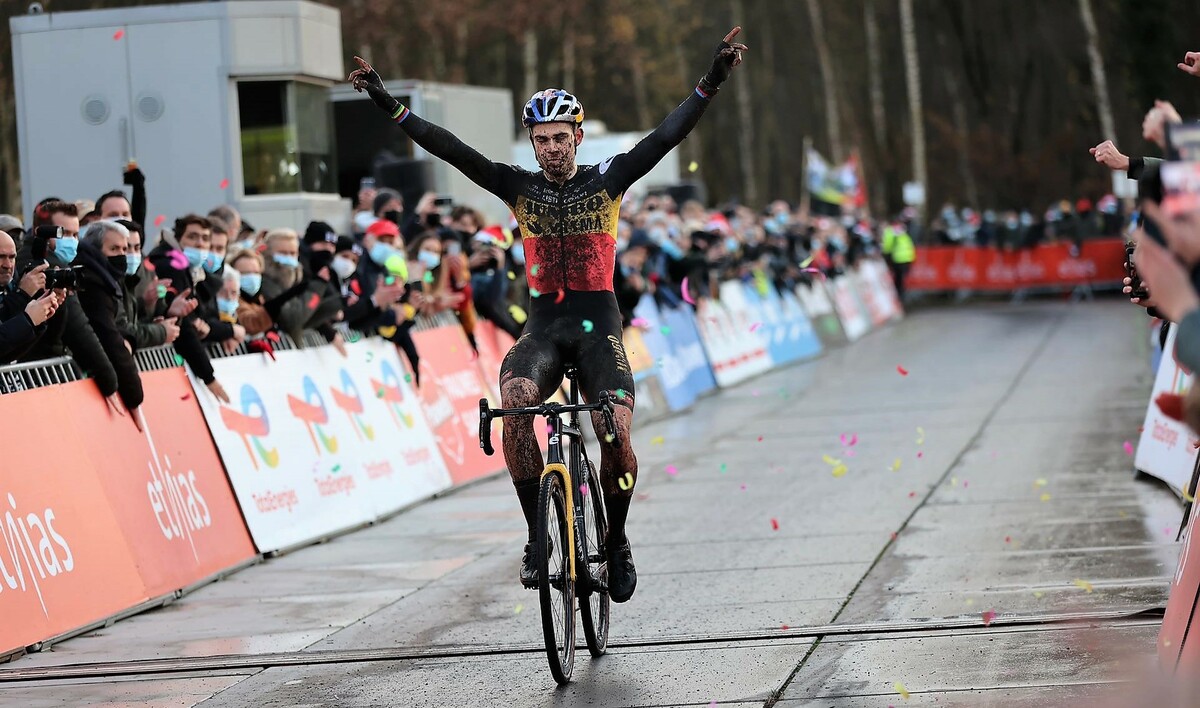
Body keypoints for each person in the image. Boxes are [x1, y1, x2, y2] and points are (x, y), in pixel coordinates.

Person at [349, 26, 748, 602]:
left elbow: (666, 134)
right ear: (532, 144)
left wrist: (712, 80)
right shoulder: (517, 187)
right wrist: (387, 103)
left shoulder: (609, 180)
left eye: (561, 138)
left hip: (598, 329)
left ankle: (617, 542)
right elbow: (450, 147)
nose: (552, 148)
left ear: (578, 137)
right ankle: (538, 538)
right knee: (513, 404)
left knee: (614, 428)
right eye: (542, 140)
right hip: (542, 328)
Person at [146, 214, 229, 403]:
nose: (200, 244)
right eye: (193, 237)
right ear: (178, 238)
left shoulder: (191, 270)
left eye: (205, 238)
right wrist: (208, 376)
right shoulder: (170, 265)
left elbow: (194, 317)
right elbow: (183, 327)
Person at [76, 220, 145, 428]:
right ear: (95, 250)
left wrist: (128, 337)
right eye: (114, 248)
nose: (122, 255)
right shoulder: (93, 282)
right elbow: (109, 339)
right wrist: (134, 397)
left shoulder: (108, 280)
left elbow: (119, 325)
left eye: (124, 248)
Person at [0, 230, 58, 362]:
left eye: (12, 257)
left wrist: (39, 319)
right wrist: (27, 317)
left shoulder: (10, 285)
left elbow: (8, 355)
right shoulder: (18, 287)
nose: (8, 265)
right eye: (0, 257)